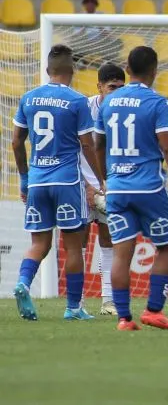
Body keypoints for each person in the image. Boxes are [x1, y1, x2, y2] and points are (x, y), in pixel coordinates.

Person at [96, 46, 168, 331]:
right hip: (149, 188)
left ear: (127, 69)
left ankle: (124, 318)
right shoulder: (157, 103)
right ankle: (153, 311)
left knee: (122, 251)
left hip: (118, 188)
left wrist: (107, 178)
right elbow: (167, 145)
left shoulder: (108, 103)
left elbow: (99, 145)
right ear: (155, 70)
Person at [11, 45, 104, 322]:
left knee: (39, 243)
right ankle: (74, 308)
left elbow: (16, 142)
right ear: (71, 70)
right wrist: (101, 179)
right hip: (67, 181)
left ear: (48, 70)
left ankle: (23, 284)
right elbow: (87, 144)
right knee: (73, 247)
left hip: (38, 180)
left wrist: (25, 178)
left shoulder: (28, 98)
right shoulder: (77, 101)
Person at [80, 62, 126, 316]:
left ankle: (108, 300)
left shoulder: (124, 111)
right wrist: (86, 185)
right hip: (83, 185)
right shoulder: (84, 109)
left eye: (121, 87)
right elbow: (72, 150)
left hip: (110, 186)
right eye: (112, 87)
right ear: (99, 86)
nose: (117, 92)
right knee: (80, 244)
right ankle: (78, 301)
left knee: (110, 242)